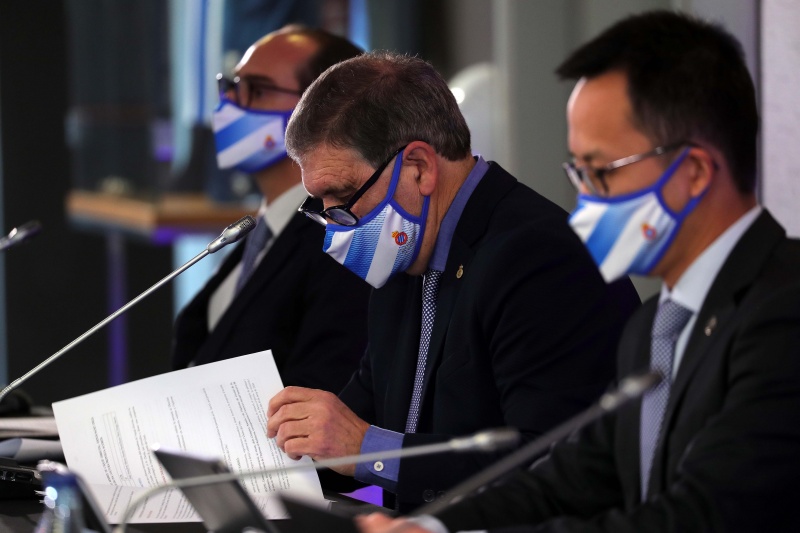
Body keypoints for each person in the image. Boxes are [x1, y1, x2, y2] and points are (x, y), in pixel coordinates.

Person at [358, 10, 800, 533]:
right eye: (578, 172)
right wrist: (431, 526)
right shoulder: (654, 326)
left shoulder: (784, 312)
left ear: (696, 172)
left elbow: (703, 515)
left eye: (601, 172)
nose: (584, 199)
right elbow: (570, 477)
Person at [266, 50, 641, 511]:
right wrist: (281, 452)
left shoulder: (540, 258)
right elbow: (349, 430)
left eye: (343, 197)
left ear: (420, 168)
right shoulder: (404, 258)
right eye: (320, 206)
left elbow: (551, 466)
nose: (334, 226)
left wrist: (368, 449)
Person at [171, 25, 370, 396]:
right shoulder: (257, 231)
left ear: (326, 112)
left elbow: (323, 390)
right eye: (231, 86)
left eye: (257, 90)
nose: (229, 105)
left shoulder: (341, 238)